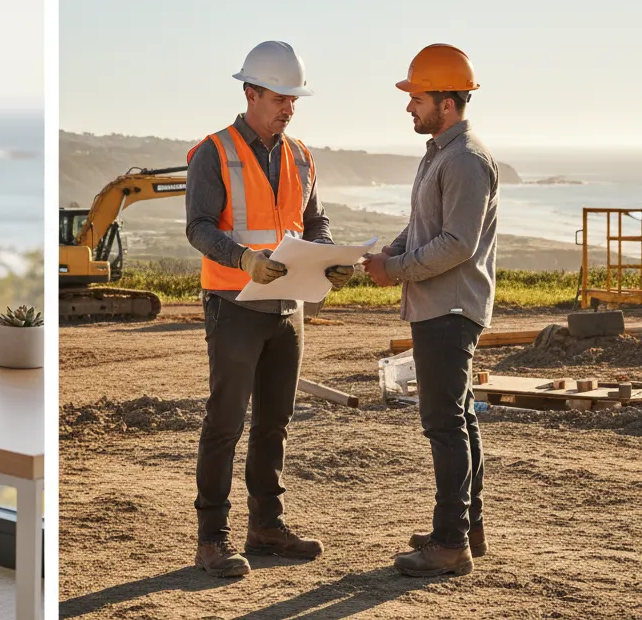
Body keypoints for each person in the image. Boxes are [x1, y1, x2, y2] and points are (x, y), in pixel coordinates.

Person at [185, 40, 354, 578]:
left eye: (294, 98)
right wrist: (244, 259)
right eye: (280, 97)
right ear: (251, 93)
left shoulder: (301, 155)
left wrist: (329, 257)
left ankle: (266, 527)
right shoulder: (214, 152)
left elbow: (314, 222)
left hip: (289, 307)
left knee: (275, 421)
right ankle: (212, 539)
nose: (289, 107)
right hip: (234, 304)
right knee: (225, 423)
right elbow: (199, 228)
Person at [361, 44, 498, 578]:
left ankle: (449, 544)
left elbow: (457, 243)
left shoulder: (464, 160)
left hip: (449, 309)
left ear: (446, 102)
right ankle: (467, 528)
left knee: (444, 425)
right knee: (459, 418)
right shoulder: (441, 153)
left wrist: (394, 270)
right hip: (439, 307)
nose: (408, 106)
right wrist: (389, 254)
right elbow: (424, 225)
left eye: (416, 98)